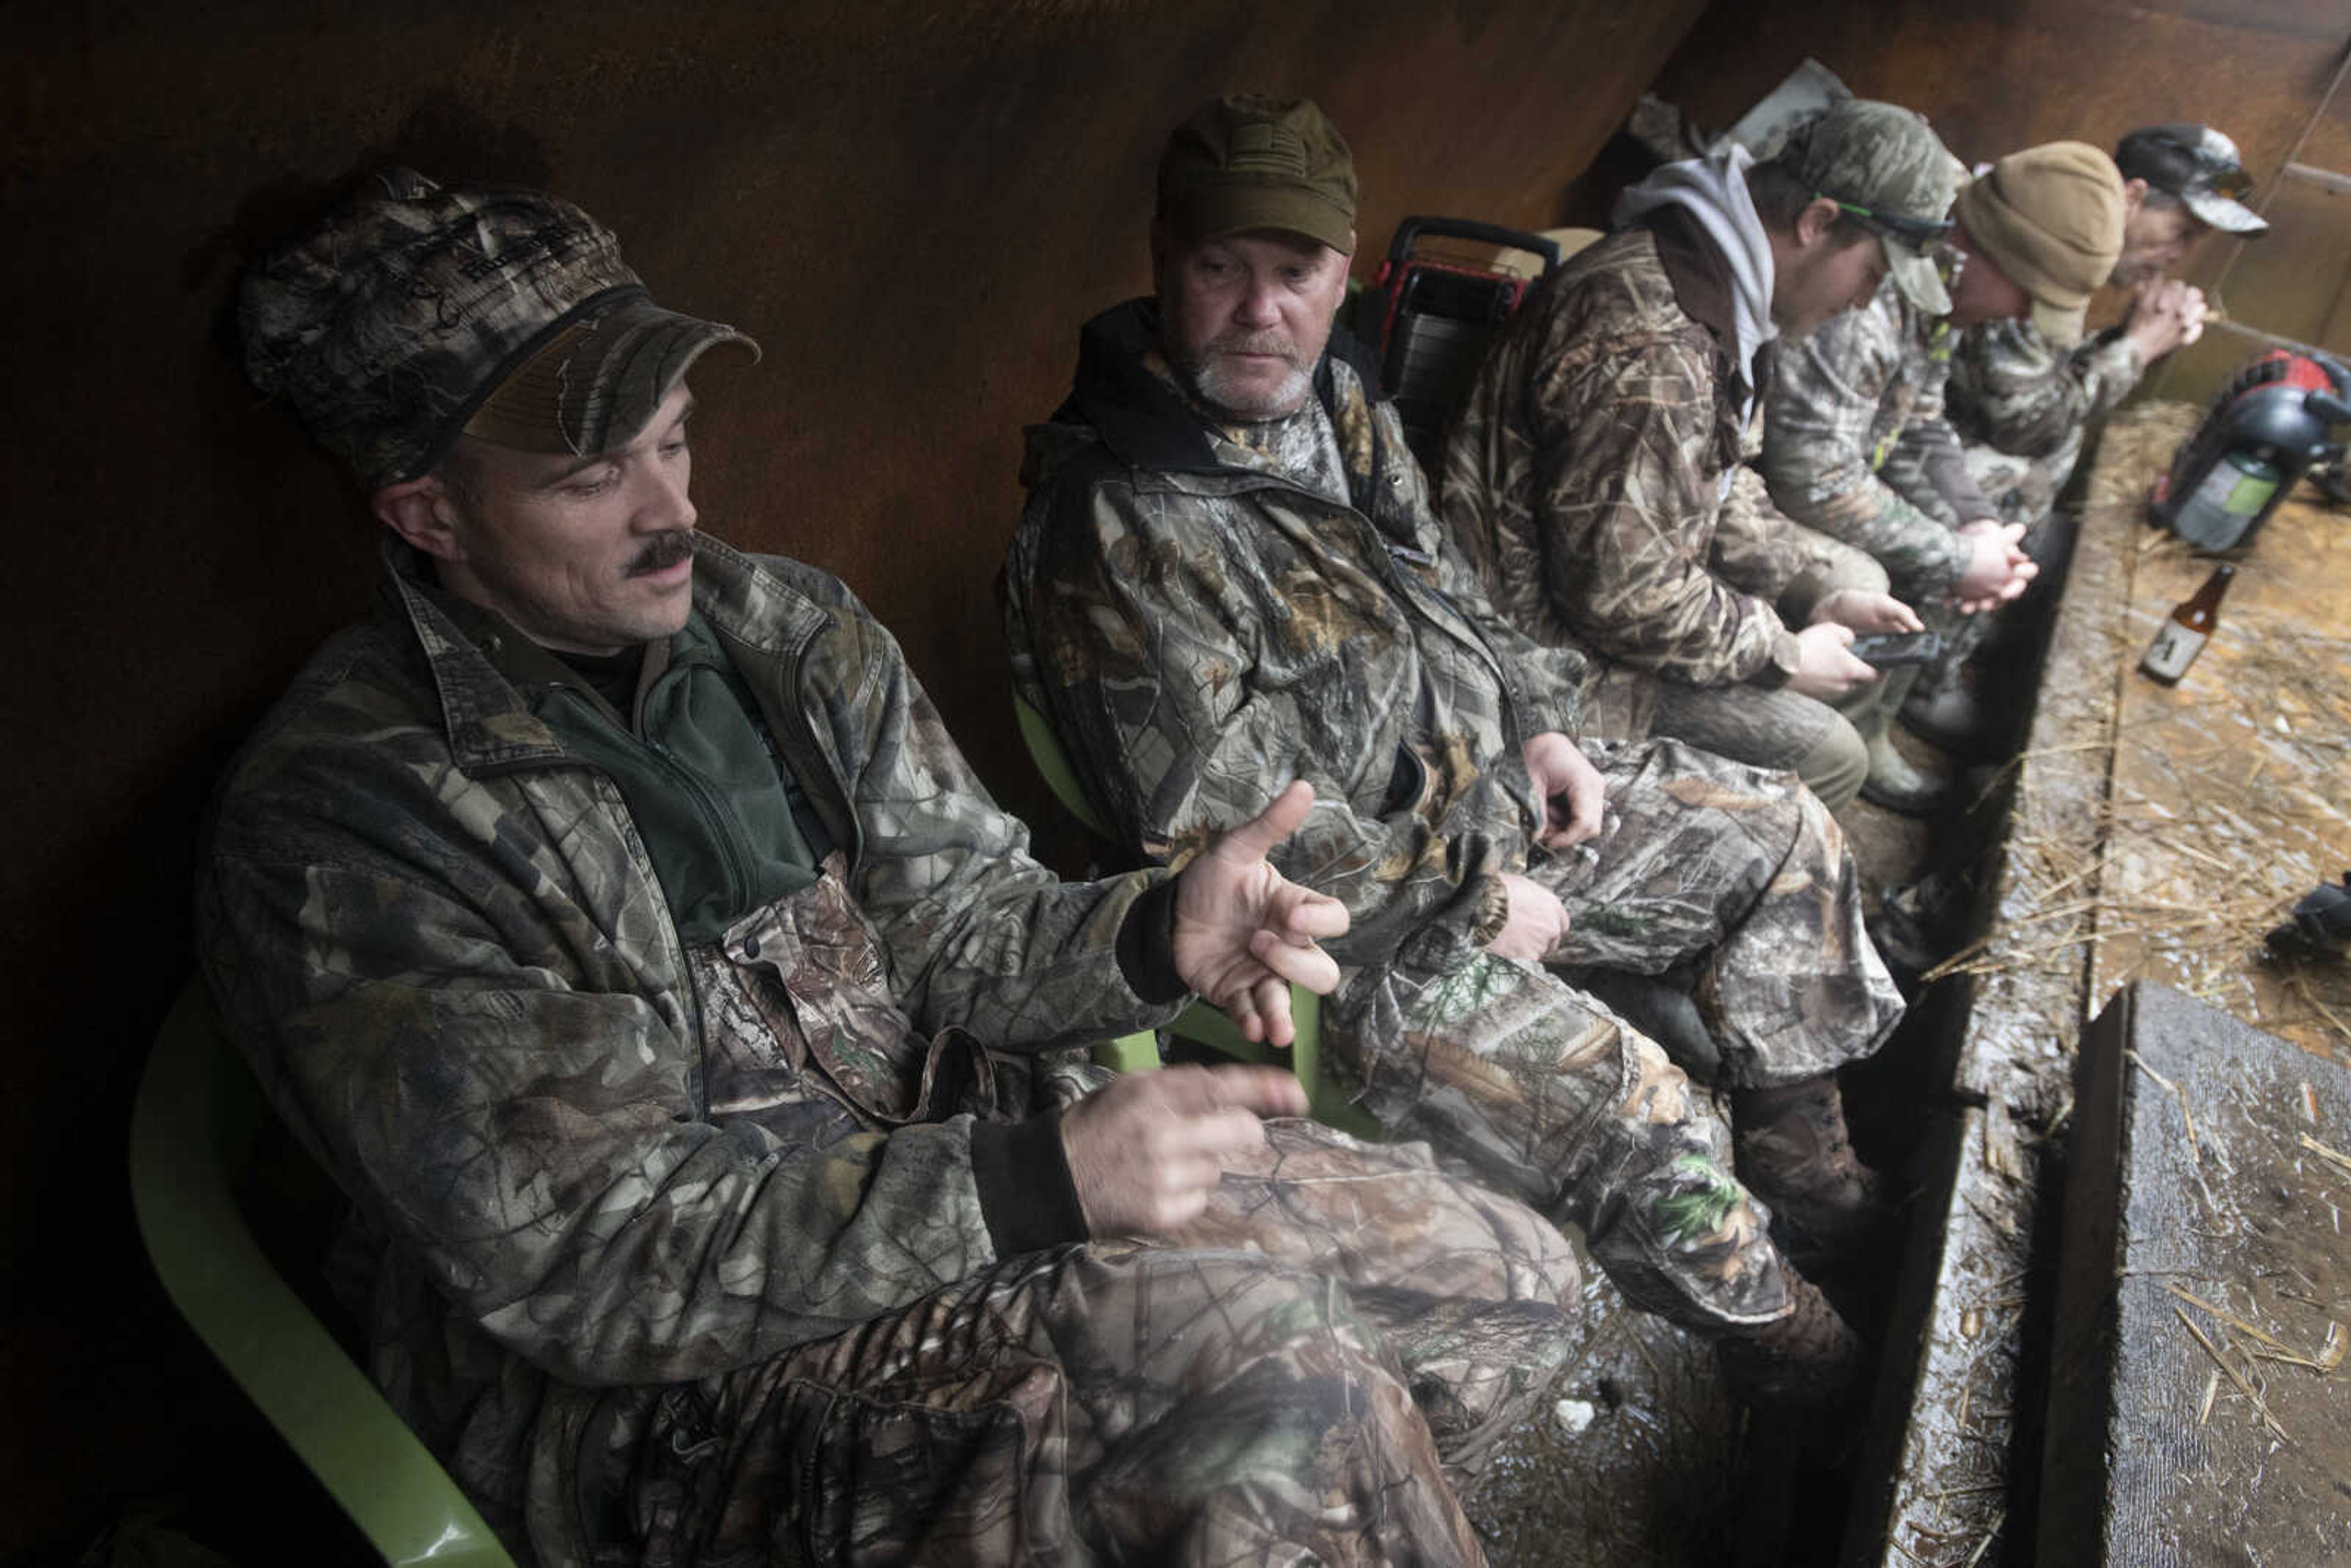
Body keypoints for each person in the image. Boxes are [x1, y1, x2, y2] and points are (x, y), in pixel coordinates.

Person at [201, 168, 1616, 1567]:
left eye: (675, 441)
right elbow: (595, 1264)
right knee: (1288, 1398)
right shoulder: (354, 822)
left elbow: (956, 921)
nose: (668, 509)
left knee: (1507, 1282)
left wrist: (1147, 935)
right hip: (684, 1393)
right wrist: (1024, 1185)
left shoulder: (776, 628)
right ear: (426, 515)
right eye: (591, 474)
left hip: (966, 1157)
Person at [1003, 95, 1908, 1408]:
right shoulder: (1118, 523)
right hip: (1349, 938)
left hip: (1479, 813)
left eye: (1296, 272)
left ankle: (1811, 1182)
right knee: (1642, 1115)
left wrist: (1537, 719)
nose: (1262, 310)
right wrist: (1481, 893)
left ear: (1342, 265)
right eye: (1220, 269)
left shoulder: (1338, 402)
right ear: (1163, 263)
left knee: (1784, 829)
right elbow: (1236, 840)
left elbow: (1452, 589)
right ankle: (1805, 1359)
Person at [1439, 99, 1957, 815]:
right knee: (1831, 756)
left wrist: (1808, 588)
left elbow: (1718, 477)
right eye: (1874, 272)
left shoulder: (1718, 283)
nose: (1869, 301)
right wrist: (1781, 653)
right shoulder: (1658, 344)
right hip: (1536, 661)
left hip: (1592, 614)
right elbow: (1623, 595)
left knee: (1843, 584)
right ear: (1818, 223)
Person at [1759, 142, 2128, 808]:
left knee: (1985, 507)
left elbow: (1920, 421)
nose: (2022, 320)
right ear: (1981, 249)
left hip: (1835, 472)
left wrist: (1975, 520)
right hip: (1766, 492)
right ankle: (1822, 741)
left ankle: (1866, 723)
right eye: (2029, 297)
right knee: (1877, 574)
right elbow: (1810, 476)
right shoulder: (1868, 304)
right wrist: (1955, 556)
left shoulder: (1944, 295)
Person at [1913, 124, 2263, 749]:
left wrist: (2126, 343)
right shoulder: (2041, 243)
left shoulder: (2073, 245)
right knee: (2008, 476)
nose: (2179, 254)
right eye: (2181, 231)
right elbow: (2023, 421)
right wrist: (2137, 347)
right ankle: (1919, 678)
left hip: (1932, 420)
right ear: (2131, 197)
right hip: (1914, 436)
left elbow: (2044, 387)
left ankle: (1966, 627)